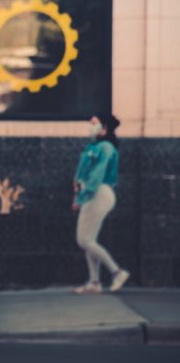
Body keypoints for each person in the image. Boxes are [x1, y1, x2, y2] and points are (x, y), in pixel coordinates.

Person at [72, 113, 130, 294]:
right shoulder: (96, 146)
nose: (90, 126)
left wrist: (81, 198)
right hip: (94, 193)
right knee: (90, 240)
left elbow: (96, 175)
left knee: (84, 240)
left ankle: (117, 272)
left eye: (94, 123)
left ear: (104, 128)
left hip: (98, 193)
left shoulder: (104, 147)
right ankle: (95, 282)